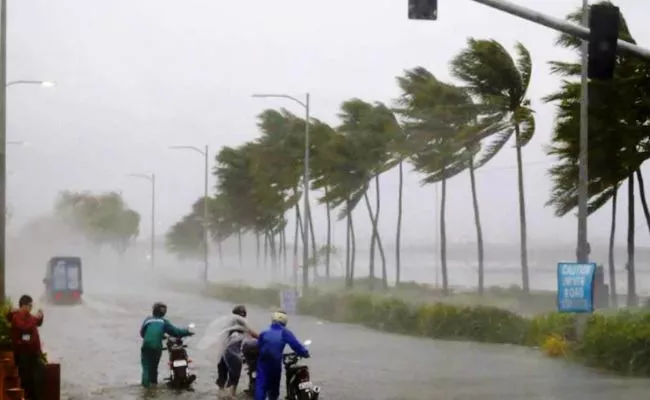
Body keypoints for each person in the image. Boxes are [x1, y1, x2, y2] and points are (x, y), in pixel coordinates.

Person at [255, 310, 309, 400]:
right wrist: (305, 353)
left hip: (263, 361)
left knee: (261, 385)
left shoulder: (264, 331)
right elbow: (296, 345)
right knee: (274, 386)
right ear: (285, 321)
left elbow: (258, 345)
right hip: (275, 362)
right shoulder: (285, 332)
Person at [140, 302, 193, 388]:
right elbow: (176, 332)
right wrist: (188, 332)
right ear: (164, 312)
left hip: (146, 346)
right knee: (154, 367)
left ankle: (145, 386)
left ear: (154, 310)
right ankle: (153, 385)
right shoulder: (163, 322)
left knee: (146, 367)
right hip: (157, 347)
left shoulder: (147, 320)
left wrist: (159, 336)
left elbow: (142, 333)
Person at [216, 304, 258, 398]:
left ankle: (221, 394)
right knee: (234, 375)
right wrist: (263, 338)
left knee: (222, 374)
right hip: (232, 353)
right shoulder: (240, 323)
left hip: (222, 352)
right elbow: (252, 333)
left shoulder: (228, 323)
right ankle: (231, 395)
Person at [8, 294, 44, 400]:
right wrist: (35, 318)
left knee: (37, 380)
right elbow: (24, 327)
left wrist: (40, 316)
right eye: (29, 305)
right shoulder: (16, 317)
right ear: (23, 305)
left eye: (31, 305)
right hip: (23, 354)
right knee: (26, 381)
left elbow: (37, 322)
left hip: (34, 353)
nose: (31, 308)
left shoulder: (29, 316)